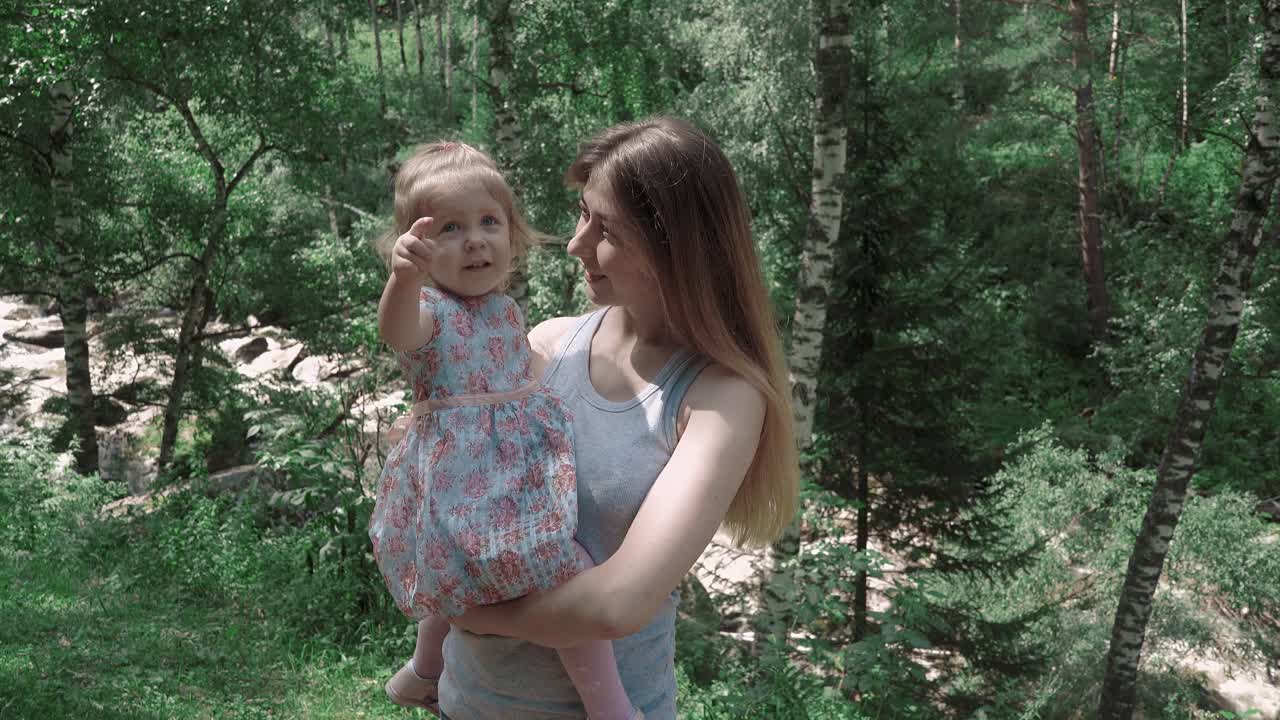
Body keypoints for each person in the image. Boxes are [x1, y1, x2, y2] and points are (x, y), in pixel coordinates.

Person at [440, 117, 801, 719]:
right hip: (464, 703)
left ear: (674, 248)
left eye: (604, 228)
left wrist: (467, 610)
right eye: (583, 214)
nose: (577, 243)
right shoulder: (548, 344)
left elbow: (618, 603)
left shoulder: (721, 398)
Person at [368, 141, 642, 720]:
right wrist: (402, 279)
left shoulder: (504, 310)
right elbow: (398, 333)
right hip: (467, 488)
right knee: (569, 573)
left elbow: (514, 380)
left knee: (462, 576)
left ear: (512, 235)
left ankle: (423, 671)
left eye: (489, 222)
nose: (474, 239)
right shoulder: (431, 312)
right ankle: (611, 707)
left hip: (506, 482)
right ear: (418, 248)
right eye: (448, 228)